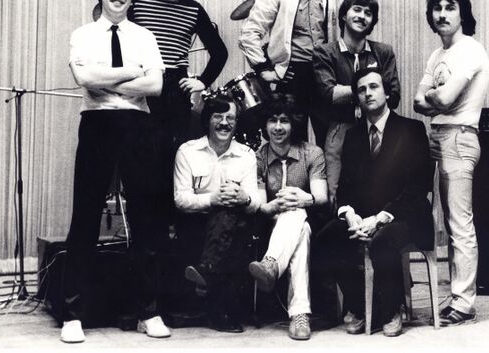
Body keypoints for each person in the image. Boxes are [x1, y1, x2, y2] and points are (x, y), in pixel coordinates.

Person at [61, 0, 170, 343]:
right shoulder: (83, 35)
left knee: (145, 217)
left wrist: (107, 79)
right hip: (97, 124)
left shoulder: (144, 36)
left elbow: (155, 85)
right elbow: (84, 80)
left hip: (137, 126)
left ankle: (148, 312)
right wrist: (130, 73)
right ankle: (72, 315)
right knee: (86, 215)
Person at [317, 68, 434, 337]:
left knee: (383, 241)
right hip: (365, 218)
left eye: (373, 87)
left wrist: (380, 218)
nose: (368, 93)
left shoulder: (412, 129)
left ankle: (392, 309)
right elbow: (345, 188)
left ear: (387, 93)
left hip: (406, 216)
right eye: (361, 90)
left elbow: (418, 187)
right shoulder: (353, 136)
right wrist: (350, 216)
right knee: (327, 237)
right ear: (357, 98)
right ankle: (360, 304)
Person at [132, 0, 228, 216]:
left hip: (175, 92)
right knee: (142, 164)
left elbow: (220, 52)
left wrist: (202, 81)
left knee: (171, 163)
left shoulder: (193, 9)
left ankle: (168, 232)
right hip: (143, 87)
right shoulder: (138, 2)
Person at [413, 0, 489, 326]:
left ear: (463, 14)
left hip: (459, 137)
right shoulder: (437, 55)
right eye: (437, 8)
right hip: (438, 136)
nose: (442, 14)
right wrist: (438, 96)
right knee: (447, 224)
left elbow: (441, 100)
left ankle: (464, 303)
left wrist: (436, 96)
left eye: (450, 7)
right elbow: (418, 101)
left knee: (459, 224)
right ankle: (457, 296)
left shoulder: (470, 49)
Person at [238, 0, 345, 145]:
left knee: (331, 143)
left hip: (326, 75)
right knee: (292, 144)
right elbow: (249, 33)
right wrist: (264, 69)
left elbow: (349, 32)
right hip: (292, 75)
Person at [174, 96, 259, 333]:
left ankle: (206, 270)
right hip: (196, 221)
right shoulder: (188, 151)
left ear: (237, 122)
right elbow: (181, 199)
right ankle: (219, 311)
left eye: (230, 117)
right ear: (207, 120)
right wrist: (213, 199)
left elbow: (255, 201)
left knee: (230, 214)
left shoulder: (246, 154)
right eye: (218, 117)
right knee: (224, 212)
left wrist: (244, 197)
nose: (224, 123)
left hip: (234, 223)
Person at [250, 94, 328, 340]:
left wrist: (302, 198)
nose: (278, 127)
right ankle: (299, 315)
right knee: (297, 228)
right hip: (270, 223)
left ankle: (271, 263)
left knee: (298, 219)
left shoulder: (312, 153)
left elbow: (321, 197)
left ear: (293, 124)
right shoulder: (258, 157)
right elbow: (262, 206)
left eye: (284, 120)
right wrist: (276, 205)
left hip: (308, 219)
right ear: (265, 125)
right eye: (272, 120)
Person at [313, 0, 400, 201]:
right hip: (340, 130)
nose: (362, 16)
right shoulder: (325, 52)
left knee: (378, 190)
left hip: (376, 129)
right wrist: (371, 89)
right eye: (357, 10)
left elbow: (394, 95)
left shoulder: (383, 52)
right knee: (335, 193)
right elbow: (329, 93)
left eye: (368, 13)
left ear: (372, 21)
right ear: (344, 15)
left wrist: (347, 92)